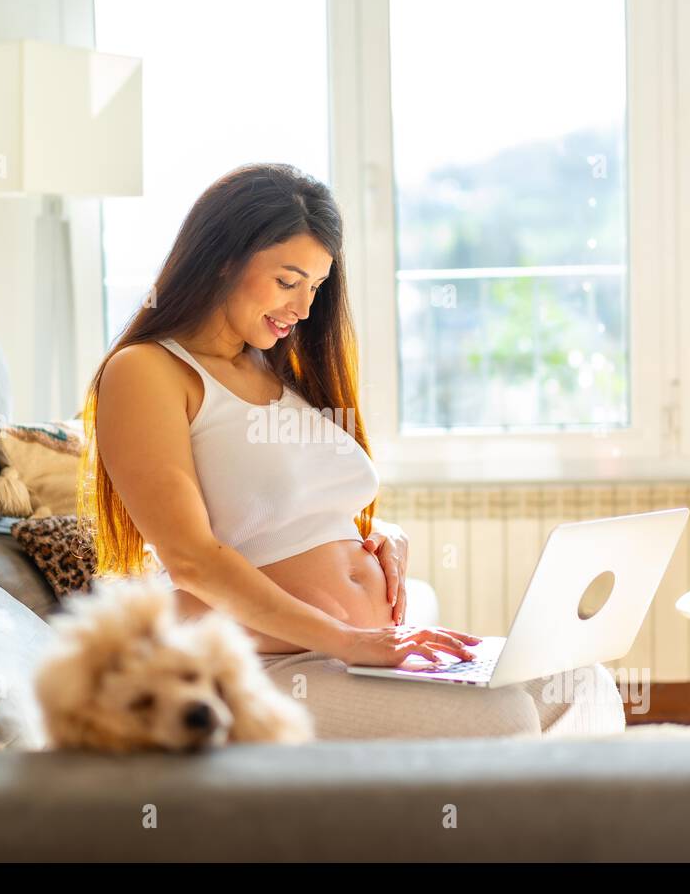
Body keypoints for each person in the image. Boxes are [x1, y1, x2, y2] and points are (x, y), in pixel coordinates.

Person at [79, 163, 624, 740]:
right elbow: (190, 557)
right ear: (223, 258)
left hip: (346, 652)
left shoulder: (277, 368)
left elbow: (279, 506)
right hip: (256, 665)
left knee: (582, 684)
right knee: (505, 719)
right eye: (288, 281)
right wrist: (348, 638)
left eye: (314, 287)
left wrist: (380, 534)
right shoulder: (147, 371)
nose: (304, 309)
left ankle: (570, 833)